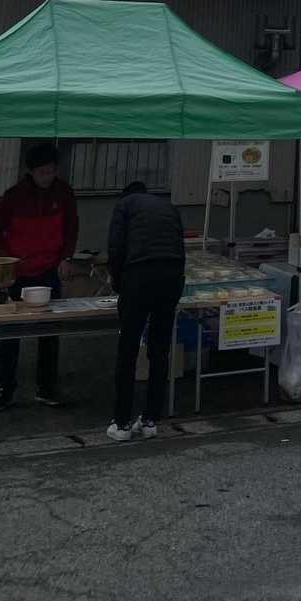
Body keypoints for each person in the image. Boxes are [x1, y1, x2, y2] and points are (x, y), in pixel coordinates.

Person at [0, 141, 79, 412]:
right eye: (42, 173)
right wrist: (5, 259)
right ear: (32, 172)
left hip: (49, 270)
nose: (46, 177)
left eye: (51, 171)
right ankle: (5, 389)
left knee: (49, 331)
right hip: (18, 272)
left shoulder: (64, 193)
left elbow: (71, 229)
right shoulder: (14, 196)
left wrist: (66, 257)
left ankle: (47, 388)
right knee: (10, 331)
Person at [106, 181, 186, 443]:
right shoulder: (168, 207)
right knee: (160, 350)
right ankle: (151, 420)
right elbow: (180, 249)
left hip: (139, 277)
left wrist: (118, 284)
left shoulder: (124, 205)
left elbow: (116, 248)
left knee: (128, 351)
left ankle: (121, 423)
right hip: (172, 278)